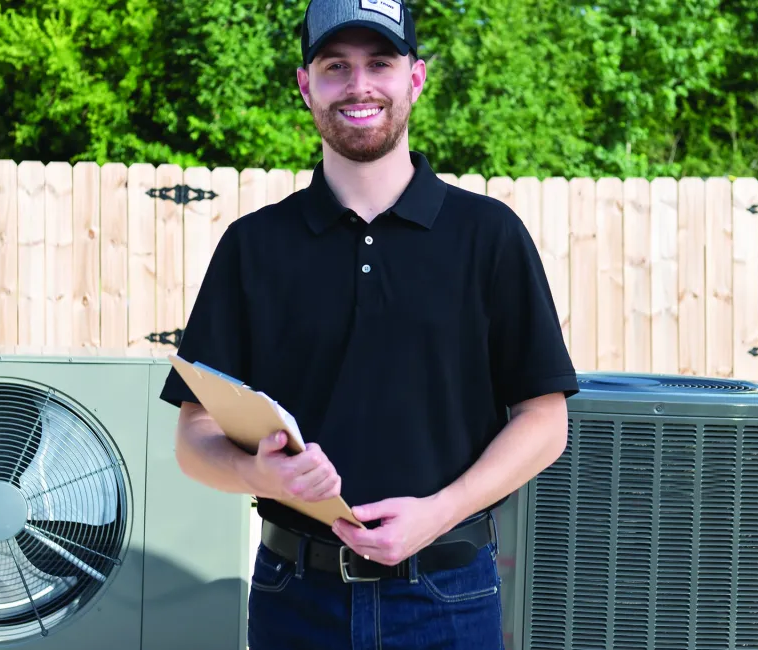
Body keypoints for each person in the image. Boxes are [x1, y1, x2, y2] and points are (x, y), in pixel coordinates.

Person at [156, 0, 578, 647]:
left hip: (448, 596)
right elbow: (195, 436)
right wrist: (256, 474)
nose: (359, 86)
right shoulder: (254, 246)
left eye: (379, 63)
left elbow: (546, 423)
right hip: (293, 596)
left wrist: (438, 513)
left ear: (415, 78)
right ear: (305, 85)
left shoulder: (489, 237)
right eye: (335, 66)